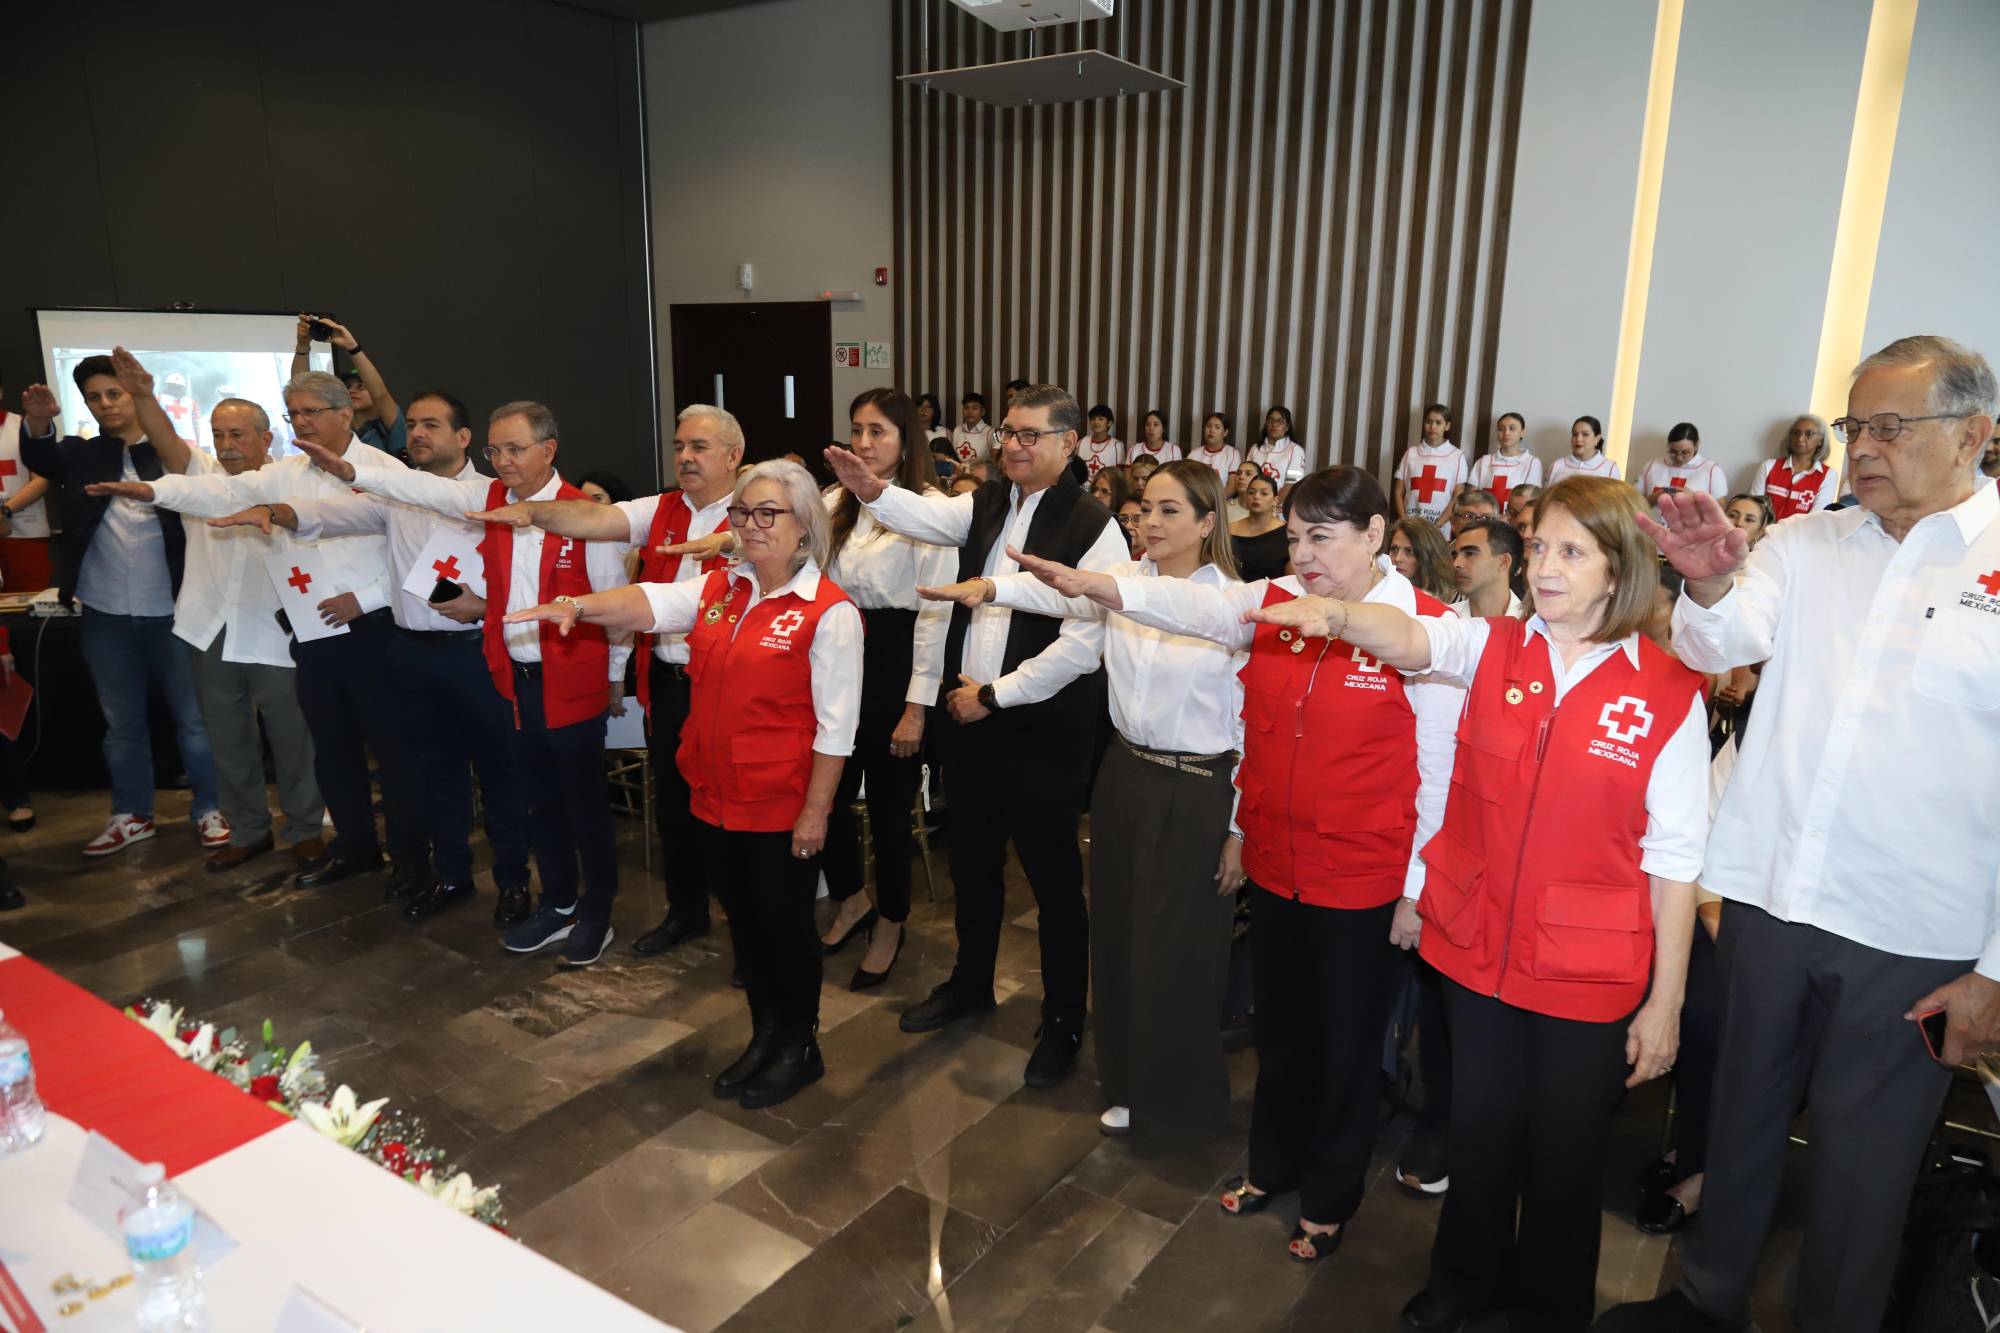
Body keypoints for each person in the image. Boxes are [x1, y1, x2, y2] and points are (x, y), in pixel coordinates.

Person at [1599, 335, 2000, 1333]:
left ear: (1974, 434)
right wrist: (1699, 583)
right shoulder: (1804, 543)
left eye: (1889, 427)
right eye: (1854, 425)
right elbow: (1716, 640)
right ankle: (1703, 1303)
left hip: (1912, 932)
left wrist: (1995, 968)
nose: (1861, 447)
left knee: (1861, 1175)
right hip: (1773, 899)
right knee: (1733, 1124)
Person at [1255, 476, 1705, 1329]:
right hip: (1477, 953)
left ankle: (1544, 1309)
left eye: (1572, 552)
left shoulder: (1666, 692)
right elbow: (1417, 636)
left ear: (1620, 569)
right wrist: (1344, 618)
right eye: (1539, 548)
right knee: (1482, 1136)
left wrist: (1666, 1001)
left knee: (1565, 1159)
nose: (1546, 568)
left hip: (1586, 970)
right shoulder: (1494, 646)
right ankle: (1461, 1288)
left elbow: (1676, 861)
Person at [1090, 466, 1458, 1261]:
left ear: (1374, 535)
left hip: (1362, 878)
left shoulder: (1424, 628)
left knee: (1345, 1043)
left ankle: (1328, 1194)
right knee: (1281, 1029)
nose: (1303, 554)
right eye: (1293, 537)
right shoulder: (1281, 607)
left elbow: (1439, 775)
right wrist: (1238, 829)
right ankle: (1272, 1163)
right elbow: (1243, 709)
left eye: (1321, 537)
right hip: (1279, 858)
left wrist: (1417, 889)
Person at [508, 460, 861, 1107]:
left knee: (784, 926)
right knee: (745, 925)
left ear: (805, 525)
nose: (750, 526)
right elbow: (649, 602)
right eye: (742, 513)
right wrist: (577, 605)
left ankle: (798, 1046)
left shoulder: (828, 612)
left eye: (768, 513)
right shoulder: (722, 586)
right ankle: (764, 1033)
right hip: (715, 794)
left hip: (781, 802)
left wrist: (816, 814)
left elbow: (837, 730)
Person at [920, 460, 1247, 1151]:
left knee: (1180, 951)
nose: (1150, 525)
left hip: (1198, 785)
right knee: (1121, 939)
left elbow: (1253, 728)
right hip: (1127, 773)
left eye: (1168, 512)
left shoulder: (1236, 603)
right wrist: (991, 587)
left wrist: (1240, 826)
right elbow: (1062, 600)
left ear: (1207, 522)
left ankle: (1181, 1103)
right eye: (1143, 512)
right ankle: (1127, 1085)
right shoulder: (1123, 584)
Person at [823, 384, 1126, 1087]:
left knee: (1052, 882)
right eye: (1008, 433)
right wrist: (872, 491)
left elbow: (1085, 642)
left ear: (1069, 443)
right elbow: (927, 517)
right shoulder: (987, 502)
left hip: (1041, 726)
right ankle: (969, 983)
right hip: (971, 718)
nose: (1013, 445)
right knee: (973, 864)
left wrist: (997, 694)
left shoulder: (1092, 524)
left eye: (1030, 435)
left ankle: (1061, 1019)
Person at [302, 401, 635, 966]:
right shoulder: (492, 502)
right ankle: (556, 904)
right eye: (494, 451)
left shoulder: (587, 514)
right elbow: (422, 490)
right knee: (540, 803)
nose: (502, 462)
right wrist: (351, 471)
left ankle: (596, 911)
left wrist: (613, 681)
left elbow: (615, 608)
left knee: (583, 807)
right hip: (514, 678)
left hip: (572, 681)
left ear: (548, 450)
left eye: (514, 450)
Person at [88, 369, 430, 890]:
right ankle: (348, 847)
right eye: (296, 414)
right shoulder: (287, 471)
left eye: (312, 412)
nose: (304, 423)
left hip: (370, 630)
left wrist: (363, 600)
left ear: (345, 413)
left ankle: (406, 861)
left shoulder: (385, 470)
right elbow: (217, 492)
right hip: (309, 635)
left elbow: (410, 554)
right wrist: (149, 490)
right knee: (330, 753)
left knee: (381, 753)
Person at [212, 391, 536, 927]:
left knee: (500, 777)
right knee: (437, 778)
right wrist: (275, 510)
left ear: (463, 437)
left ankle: (513, 883)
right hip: (412, 654)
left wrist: (486, 607)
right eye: (411, 424)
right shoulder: (393, 499)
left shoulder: (493, 497)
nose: (417, 434)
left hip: (474, 654)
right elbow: (330, 514)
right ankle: (451, 876)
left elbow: (523, 578)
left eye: (432, 424)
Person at [474, 406, 742, 955]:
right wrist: (538, 513)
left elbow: (619, 601)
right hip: (668, 677)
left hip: (728, 682)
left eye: (699, 447)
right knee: (671, 807)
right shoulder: (661, 507)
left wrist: (609, 673)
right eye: (679, 446)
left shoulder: (757, 507)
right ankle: (683, 913)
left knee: (730, 810)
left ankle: (749, 935)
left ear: (734, 455)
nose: (685, 457)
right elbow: (599, 522)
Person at [109, 355, 326, 875]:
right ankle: (249, 830)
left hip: (274, 631)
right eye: (218, 434)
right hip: (208, 625)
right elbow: (165, 441)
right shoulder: (199, 475)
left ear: (266, 438)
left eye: (238, 435)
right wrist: (143, 395)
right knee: (226, 735)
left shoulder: (290, 483)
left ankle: (304, 830)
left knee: (293, 737)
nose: (226, 445)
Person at [19, 356, 228, 857]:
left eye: (114, 393)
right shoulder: (84, 455)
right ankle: (132, 814)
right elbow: (43, 459)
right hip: (106, 613)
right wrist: (41, 422)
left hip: (174, 612)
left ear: (135, 394)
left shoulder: (175, 456)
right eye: (94, 397)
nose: (105, 404)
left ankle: (212, 809)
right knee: (122, 724)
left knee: (195, 722)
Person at [814, 390, 951, 988]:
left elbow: (934, 617)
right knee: (826, 794)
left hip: (898, 659)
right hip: (839, 654)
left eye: (878, 433)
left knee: (891, 812)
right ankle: (850, 897)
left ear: (905, 441)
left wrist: (915, 709)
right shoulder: (835, 499)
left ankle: (892, 918)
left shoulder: (929, 507)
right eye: (857, 431)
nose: (864, 444)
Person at [292, 316, 404, 460]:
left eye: (361, 386)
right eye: (347, 387)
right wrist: (302, 346)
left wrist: (351, 346)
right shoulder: (336, 430)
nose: (352, 391)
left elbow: (380, 395)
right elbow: (301, 391)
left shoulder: (388, 428)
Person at [0, 372, 55, 593]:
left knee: (28, 612)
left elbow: (42, 478)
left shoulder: (23, 426)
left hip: (25, 537)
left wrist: (4, 511)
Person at [1748, 414, 1840, 520]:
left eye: (1809, 434)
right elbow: (1752, 508)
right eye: (1796, 433)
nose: (1800, 438)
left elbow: (1816, 518)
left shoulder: (1828, 475)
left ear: (1820, 440)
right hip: (1763, 534)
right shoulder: (1768, 467)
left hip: (1800, 535)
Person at [1396, 404, 1469, 524]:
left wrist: (1438, 524)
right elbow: (1398, 492)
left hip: (1441, 527)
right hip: (1411, 523)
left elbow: (1458, 496)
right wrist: (1404, 521)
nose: (1432, 426)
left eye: (1438, 422)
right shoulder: (1411, 453)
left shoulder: (1457, 456)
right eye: (1429, 421)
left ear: (1447, 426)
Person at [1448, 516, 1523, 620]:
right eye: (1455, 555)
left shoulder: (1533, 628)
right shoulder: (1443, 622)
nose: (1456, 563)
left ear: (1503, 562)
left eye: (1470, 553)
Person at [1638, 423, 1728, 507]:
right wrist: (1654, 498)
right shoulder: (1652, 466)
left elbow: (1721, 508)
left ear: (1696, 445)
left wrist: (1694, 498)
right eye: (1673, 452)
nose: (1679, 458)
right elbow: (1633, 504)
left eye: (1685, 452)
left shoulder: (1711, 470)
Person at [1470, 412, 1543, 510]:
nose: (1506, 433)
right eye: (1501, 429)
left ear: (1522, 432)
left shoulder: (1532, 462)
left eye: (1512, 428)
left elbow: (1531, 499)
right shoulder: (1483, 461)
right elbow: (1472, 497)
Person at [1230, 471, 1288, 580]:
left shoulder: (1286, 533)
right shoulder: (1229, 530)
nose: (1256, 496)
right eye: (1251, 492)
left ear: (1275, 500)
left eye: (1264, 493)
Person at [1387, 517, 1456, 604]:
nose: (1397, 558)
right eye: (1394, 549)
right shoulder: (1379, 594)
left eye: (1410, 551)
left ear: (1429, 556)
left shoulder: (1450, 605)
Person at [1547, 414, 1622, 485]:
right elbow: (1547, 497)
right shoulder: (1556, 465)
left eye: (1585, 434)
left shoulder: (1610, 468)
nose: (1578, 439)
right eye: (1575, 434)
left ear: (1597, 439)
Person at [1247, 406, 1308, 484]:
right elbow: (1247, 479)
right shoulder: (1255, 448)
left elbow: (1292, 485)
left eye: (1280, 421)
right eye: (1271, 420)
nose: (1274, 424)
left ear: (1287, 427)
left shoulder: (1296, 451)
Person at [1190, 412, 1241, 482]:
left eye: (1217, 427)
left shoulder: (1233, 453)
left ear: (1225, 432)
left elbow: (1232, 486)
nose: (1211, 430)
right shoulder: (1194, 454)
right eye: (1208, 426)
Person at [1079, 405, 1124, 478]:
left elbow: (1118, 475)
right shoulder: (1082, 442)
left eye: (1101, 419)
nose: (1096, 422)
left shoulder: (1117, 446)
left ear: (1109, 423)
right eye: (1093, 419)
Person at [950, 392, 993, 465]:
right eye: (966, 408)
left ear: (983, 411)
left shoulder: (991, 432)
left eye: (975, 408)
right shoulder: (957, 430)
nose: (970, 412)